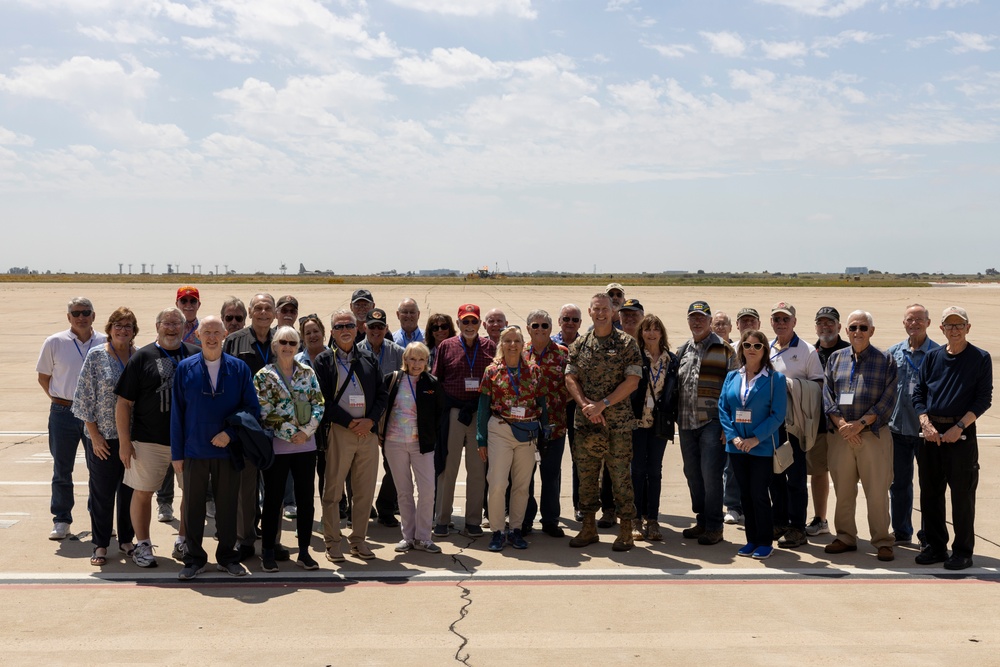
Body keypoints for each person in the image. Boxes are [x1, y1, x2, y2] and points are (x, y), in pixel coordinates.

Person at [172, 316, 260, 579]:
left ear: (224, 335)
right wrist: (177, 454)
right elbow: (177, 413)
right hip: (194, 451)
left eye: (216, 332)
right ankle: (194, 558)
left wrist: (230, 434)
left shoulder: (239, 368)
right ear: (198, 336)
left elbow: (251, 409)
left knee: (227, 506)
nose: (211, 337)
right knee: (193, 507)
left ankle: (227, 556)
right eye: (206, 332)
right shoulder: (185, 368)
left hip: (227, 450)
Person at [115, 307, 198, 567]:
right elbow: (123, 403)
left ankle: (183, 541)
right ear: (157, 326)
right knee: (142, 492)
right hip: (148, 441)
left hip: (187, 442)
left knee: (191, 494)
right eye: (167, 323)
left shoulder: (195, 355)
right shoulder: (142, 357)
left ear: (185, 327)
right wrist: (125, 442)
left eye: (176, 323)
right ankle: (143, 545)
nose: (171, 328)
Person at [913, 306, 993, 570]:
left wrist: (959, 426)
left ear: (968, 328)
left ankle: (962, 551)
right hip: (932, 435)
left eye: (960, 325)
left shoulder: (980, 358)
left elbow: (984, 399)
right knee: (931, 494)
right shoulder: (932, 357)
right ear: (941, 329)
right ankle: (936, 547)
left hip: (961, 435)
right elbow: (918, 394)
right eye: (950, 325)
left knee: (962, 496)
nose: (955, 329)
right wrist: (925, 423)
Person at [565, 292, 641, 552]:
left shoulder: (627, 343)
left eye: (605, 309)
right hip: (586, 424)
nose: (600, 313)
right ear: (589, 312)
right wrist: (585, 404)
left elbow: (632, 381)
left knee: (620, 478)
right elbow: (570, 378)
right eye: (596, 309)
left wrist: (603, 404)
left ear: (614, 312)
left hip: (617, 426)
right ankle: (588, 528)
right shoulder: (579, 344)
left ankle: (626, 531)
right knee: (586, 478)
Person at [314, 309, 388, 562]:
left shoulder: (368, 359)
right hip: (339, 431)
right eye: (338, 326)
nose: (344, 329)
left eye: (348, 325)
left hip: (367, 432)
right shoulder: (323, 361)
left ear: (358, 329)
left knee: (364, 491)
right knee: (333, 490)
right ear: (332, 332)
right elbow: (321, 399)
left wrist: (370, 421)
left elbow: (382, 395)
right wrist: (349, 422)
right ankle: (333, 542)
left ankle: (358, 541)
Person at [823, 310, 898, 562]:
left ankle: (882, 541)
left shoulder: (886, 360)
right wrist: (844, 424)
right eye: (853, 327)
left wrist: (861, 424)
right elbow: (828, 396)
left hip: (873, 436)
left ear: (872, 331)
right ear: (846, 331)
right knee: (843, 490)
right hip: (841, 437)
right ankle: (845, 536)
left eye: (863, 328)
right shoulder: (835, 358)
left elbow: (888, 400)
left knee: (877, 491)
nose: (858, 332)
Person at [254, 325, 325, 572]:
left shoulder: (307, 372)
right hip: (278, 447)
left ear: (298, 347)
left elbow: (319, 403)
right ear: (275, 345)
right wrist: (289, 433)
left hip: (306, 446)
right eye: (283, 342)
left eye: (292, 343)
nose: (287, 347)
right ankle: (268, 551)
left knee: (306, 500)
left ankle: (304, 552)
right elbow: (264, 410)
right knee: (273, 501)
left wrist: (305, 432)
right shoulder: (264, 375)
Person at [72, 307, 138, 565]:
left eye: (128, 326)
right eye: (118, 325)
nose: (123, 330)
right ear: (110, 329)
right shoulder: (97, 356)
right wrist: (94, 436)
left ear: (134, 331)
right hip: (103, 439)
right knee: (102, 493)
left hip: (133, 439)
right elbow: (84, 398)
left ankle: (126, 541)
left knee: (129, 491)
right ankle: (100, 544)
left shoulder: (138, 356)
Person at [37, 296, 107, 540]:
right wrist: (61, 400)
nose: (81, 317)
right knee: (62, 468)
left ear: (93, 316)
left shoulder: (105, 341)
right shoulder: (54, 342)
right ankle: (61, 519)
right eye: (76, 313)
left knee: (98, 469)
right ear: (68, 317)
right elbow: (44, 377)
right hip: (63, 412)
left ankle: (99, 519)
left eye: (86, 312)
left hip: (96, 415)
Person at [719, 329, 787, 560]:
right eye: (747, 345)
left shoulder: (774, 379)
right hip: (736, 446)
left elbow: (778, 415)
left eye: (757, 346)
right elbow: (723, 409)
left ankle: (765, 541)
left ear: (764, 350)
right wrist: (734, 437)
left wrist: (755, 438)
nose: (751, 350)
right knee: (745, 494)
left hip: (762, 447)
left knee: (759, 493)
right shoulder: (732, 376)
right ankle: (751, 540)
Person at [478, 325, 548, 552]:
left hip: (527, 431)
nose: (512, 345)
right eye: (507, 341)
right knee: (498, 483)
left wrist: (544, 429)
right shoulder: (492, 371)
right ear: (501, 344)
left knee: (522, 485)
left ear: (523, 344)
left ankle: (516, 529)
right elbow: (483, 407)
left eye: (517, 340)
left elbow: (541, 403)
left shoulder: (534, 371)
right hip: (500, 428)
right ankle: (497, 530)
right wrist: (481, 438)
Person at [431, 304, 496, 538]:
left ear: (481, 324)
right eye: (465, 322)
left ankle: (473, 521)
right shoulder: (446, 347)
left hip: (479, 414)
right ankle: (442, 519)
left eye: (474, 322)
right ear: (458, 324)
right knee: (448, 468)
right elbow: (436, 380)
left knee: (477, 469)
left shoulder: (490, 347)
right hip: (454, 413)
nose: (470, 326)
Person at [675, 301, 737, 545]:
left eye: (702, 317)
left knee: (711, 475)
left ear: (710, 321)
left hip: (712, 423)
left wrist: (727, 425)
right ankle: (702, 520)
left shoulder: (725, 350)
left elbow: (734, 389)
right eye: (693, 317)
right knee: (692, 473)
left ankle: (714, 525)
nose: (697, 322)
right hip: (686, 423)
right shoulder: (683, 350)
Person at [223, 293, 278, 562]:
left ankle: (272, 539)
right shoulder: (235, 340)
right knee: (246, 488)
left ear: (275, 312)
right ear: (250, 312)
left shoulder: (282, 339)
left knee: (274, 486)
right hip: (246, 426)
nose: (263, 312)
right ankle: (245, 540)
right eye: (258, 308)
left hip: (278, 426)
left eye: (268, 308)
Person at [378, 342, 445, 554]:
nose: (416, 364)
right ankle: (408, 537)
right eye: (412, 359)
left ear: (427, 362)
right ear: (405, 359)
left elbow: (440, 415)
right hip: (394, 443)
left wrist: (430, 436)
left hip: (422, 445)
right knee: (404, 492)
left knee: (427, 491)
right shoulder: (392, 379)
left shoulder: (432, 383)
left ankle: (424, 537)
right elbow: (382, 407)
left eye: (421, 359)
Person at [768, 301, 823, 549]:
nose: (781, 323)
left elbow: (818, 386)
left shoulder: (807, 351)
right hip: (771, 424)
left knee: (796, 479)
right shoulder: (765, 347)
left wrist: (791, 386)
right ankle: (779, 521)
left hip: (795, 426)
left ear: (794, 322)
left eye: (785, 319)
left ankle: (797, 527)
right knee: (774, 476)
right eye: (776, 319)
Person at [887, 304, 938, 546]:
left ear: (928, 323)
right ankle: (901, 531)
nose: (914, 324)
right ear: (904, 323)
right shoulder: (893, 353)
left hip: (926, 432)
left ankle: (928, 535)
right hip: (898, 429)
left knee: (929, 485)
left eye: (920, 320)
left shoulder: (939, 354)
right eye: (910, 319)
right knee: (899, 485)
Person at [629, 314, 678, 542]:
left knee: (654, 471)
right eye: (646, 329)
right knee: (637, 470)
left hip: (660, 422)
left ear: (661, 333)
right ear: (641, 333)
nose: (651, 333)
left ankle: (653, 519)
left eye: (655, 329)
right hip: (638, 421)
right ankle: (636, 519)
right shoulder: (635, 356)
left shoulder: (672, 360)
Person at [523, 310, 570, 537]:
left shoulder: (562, 354)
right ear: (528, 329)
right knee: (525, 475)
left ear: (552, 328)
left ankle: (550, 520)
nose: (540, 329)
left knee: (551, 474)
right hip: (526, 427)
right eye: (535, 325)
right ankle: (525, 519)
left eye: (544, 325)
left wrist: (558, 403)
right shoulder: (519, 353)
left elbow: (573, 386)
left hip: (555, 426)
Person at [358, 308, 405, 527]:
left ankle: (386, 507)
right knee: (360, 467)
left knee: (394, 466)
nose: (376, 331)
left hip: (392, 418)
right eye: (371, 327)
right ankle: (361, 506)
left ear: (386, 329)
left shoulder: (398, 352)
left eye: (380, 327)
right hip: (364, 417)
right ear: (364, 328)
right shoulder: (355, 351)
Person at [806, 306, 850, 538]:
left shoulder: (850, 350)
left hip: (845, 426)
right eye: (821, 323)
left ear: (838, 326)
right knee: (818, 472)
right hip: (818, 426)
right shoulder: (810, 352)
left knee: (845, 475)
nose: (825, 327)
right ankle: (820, 519)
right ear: (816, 327)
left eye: (830, 323)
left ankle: (846, 524)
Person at [552, 303, 583, 520]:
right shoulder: (550, 344)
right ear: (559, 321)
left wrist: (574, 398)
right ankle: (552, 509)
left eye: (574, 320)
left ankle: (580, 505)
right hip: (553, 408)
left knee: (579, 458)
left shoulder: (586, 344)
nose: (570, 323)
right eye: (566, 319)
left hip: (578, 407)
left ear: (580, 323)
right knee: (551, 459)